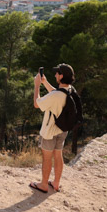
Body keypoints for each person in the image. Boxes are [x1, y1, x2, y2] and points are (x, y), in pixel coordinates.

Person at [29, 63, 75, 193]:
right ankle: (56, 183)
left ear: (61, 76)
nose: (55, 74)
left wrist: (37, 85)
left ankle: (43, 184)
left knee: (47, 157)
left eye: (57, 73)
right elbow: (56, 94)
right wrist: (45, 82)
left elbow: (37, 104)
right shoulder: (70, 89)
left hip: (50, 131)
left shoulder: (55, 96)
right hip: (62, 129)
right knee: (58, 154)